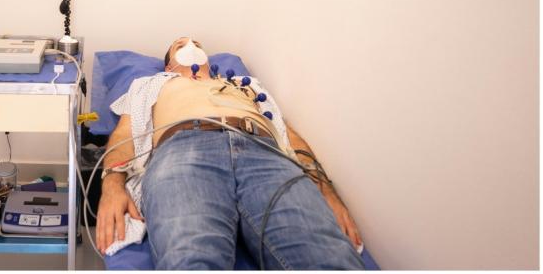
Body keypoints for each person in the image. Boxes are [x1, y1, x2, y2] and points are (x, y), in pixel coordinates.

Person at [95, 37, 365, 270]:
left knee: (329, 257)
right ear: (168, 65)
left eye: (196, 44)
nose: (190, 45)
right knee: (190, 260)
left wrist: (325, 189)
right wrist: (112, 184)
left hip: (264, 153)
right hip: (183, 151)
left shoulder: (245, 85)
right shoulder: (152, 83)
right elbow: (125, 133)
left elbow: (288, 134)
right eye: (180, 44)